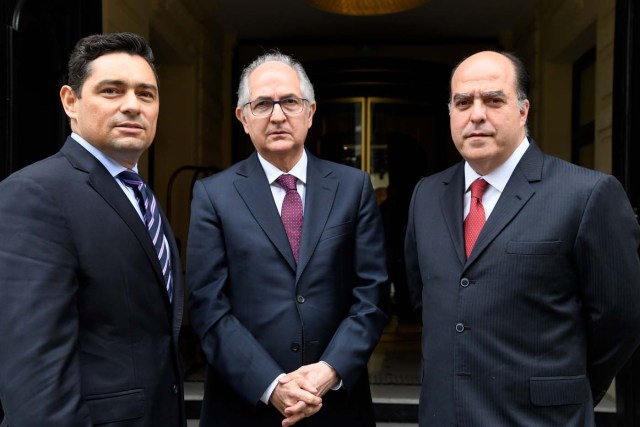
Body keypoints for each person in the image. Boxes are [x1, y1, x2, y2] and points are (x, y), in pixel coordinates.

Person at [404, 50, 640, 426]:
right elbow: (427, 302)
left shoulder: (587, 194)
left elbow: (620, 321)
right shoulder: (426, 195)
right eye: (462, 102)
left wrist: (567, 391)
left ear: (523, 110)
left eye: (494, 100)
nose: (476, 114)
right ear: (450, 112)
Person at [187, 51, 388, 427]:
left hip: (337, 407)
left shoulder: (353, 188)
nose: (277, 115)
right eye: (262, 104)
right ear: (242, 118)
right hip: (244, 406)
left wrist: (328, 370)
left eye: (290, 103)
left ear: (310, 112)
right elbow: (207, 306)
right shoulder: (213, 195)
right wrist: (271, 384)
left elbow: (372, 294)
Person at [0, 32, 185, 426]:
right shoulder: (34, 193)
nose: (132, 106)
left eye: (146, 94)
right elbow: (35, 372)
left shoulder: (139, 196)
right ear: (71, 101)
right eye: (112, 91)